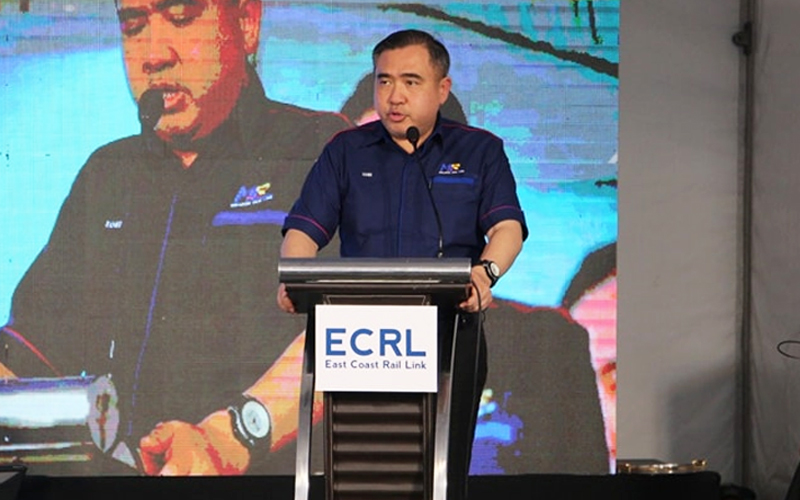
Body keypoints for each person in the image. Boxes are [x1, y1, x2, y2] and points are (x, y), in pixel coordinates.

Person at [0, 0, 350, 476]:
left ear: (246, 23)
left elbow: (366, 323)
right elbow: (32, 346)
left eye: (181, 18)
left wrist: (233, 435)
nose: (153, 55)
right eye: (133, 26)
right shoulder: (108, 174)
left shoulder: (324, 149)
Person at [278, 29, 528, 500]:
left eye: (411, 82)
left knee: (440, 473)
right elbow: (304, 231)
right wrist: (295, 276)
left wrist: (485, 274)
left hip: (450, 332)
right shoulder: (345, 151)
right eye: (385, 80)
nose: (395, 96)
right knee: (362, 467)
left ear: (442, 89)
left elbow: (507, 228)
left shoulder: (479, 151)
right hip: (358, 336)